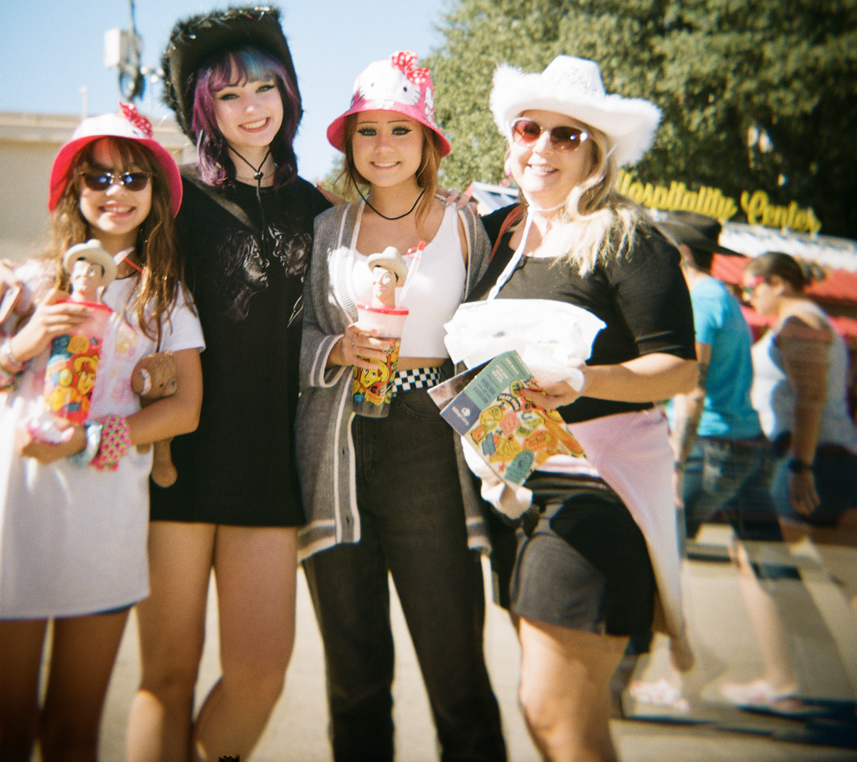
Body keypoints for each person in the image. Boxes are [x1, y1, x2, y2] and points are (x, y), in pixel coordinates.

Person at [0, 104, 205, 762]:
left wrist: (87, 442)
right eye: (99, 177)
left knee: (73, 739)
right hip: (14, 515)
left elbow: (184, 411)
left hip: (103, 522)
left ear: (157, 195)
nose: (116, 193)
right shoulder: (21, 282)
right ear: (71, 189)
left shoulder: (165, 299)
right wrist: (24, 341)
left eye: (134, 178)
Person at [462, 55, 697, 762]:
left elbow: (678, 369)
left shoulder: (629, 238)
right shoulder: (503, 238)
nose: (543, 147)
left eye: (568, 136)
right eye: (531, 129)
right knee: (566, 721)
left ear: (597, 154)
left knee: (554, 713)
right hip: (517, 482)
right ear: (510, 142)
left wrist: (582, 379)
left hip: (599, 488)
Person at [126, 6, 331, 762]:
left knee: (260, 673)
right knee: (167, 675)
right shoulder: (173, 197)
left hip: (269, 468)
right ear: (204, 110)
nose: (252, 108)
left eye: (264, 89)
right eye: (230, 95)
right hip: (175, 459)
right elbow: (108, 268)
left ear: (288, 95)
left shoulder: (318, 210)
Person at [295, 51, 506, 762]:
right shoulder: (328, 232)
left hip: (433, 442)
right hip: (340, 444)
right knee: (354, 683)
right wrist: (335, 351)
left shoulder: (470, 226)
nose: (383, 147)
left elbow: (497, 338)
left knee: (457, 676)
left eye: (400, 130)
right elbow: (290, 342)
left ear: (428, 144)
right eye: (368, 131)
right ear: (350, 144)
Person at [628, 212, 797, 713]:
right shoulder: (721, 296)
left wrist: (677, 464)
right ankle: (785, 678)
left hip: (710, 447)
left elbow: (690, 388)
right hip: (746, 444)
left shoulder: (697, 299)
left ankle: (630, 685)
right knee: (760, 564)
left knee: (655, 563)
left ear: (678, 254)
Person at [742, 251, 857, 693]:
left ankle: (782, 678)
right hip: (829, 457)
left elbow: (810, 398)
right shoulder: (812, 322)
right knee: (845, 573)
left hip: (811, 459)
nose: (749, 298)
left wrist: (801, 468)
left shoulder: (801, 324)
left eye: (752, 287)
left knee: (756, 557)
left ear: (778, 283)